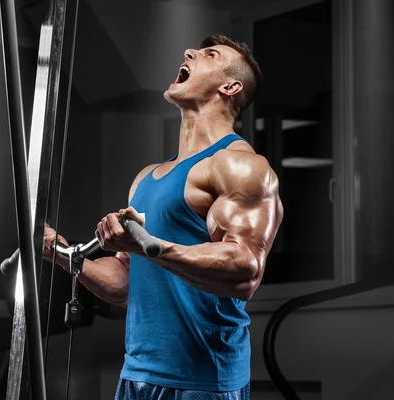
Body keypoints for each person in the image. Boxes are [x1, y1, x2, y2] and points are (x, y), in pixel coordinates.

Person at [44, 34, 283, 399]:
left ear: (230, 86)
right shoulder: (147, 177)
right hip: (137, 375)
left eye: (209, 54)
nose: (189, 53)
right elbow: (125, 285)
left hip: (202, 382)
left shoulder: (239, 165)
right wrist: (56, 252)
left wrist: (150, 245)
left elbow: (244, 269)